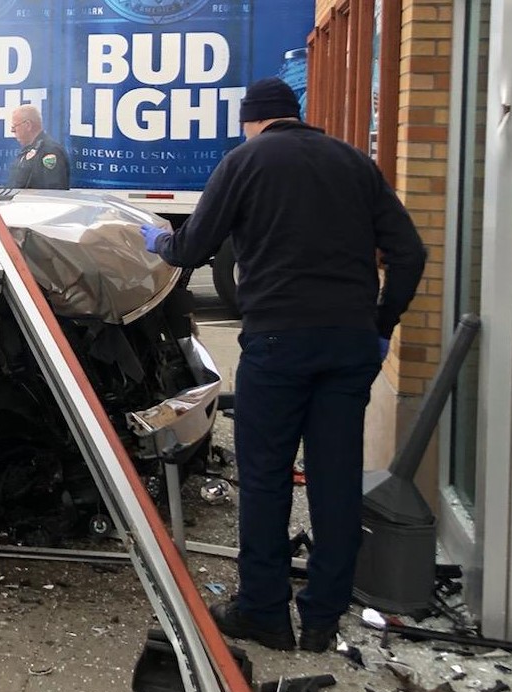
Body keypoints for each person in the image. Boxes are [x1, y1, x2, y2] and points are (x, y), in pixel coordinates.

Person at [140, 77, 426, 652]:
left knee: (267, 478)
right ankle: (322, 619)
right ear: (294, 115)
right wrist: (381, 324)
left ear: (253, 120)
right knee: (336, 480)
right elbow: (411, 252)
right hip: (348, 346)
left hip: (279, 344)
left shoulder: (244, 162)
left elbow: (192, 248)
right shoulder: (353, 162)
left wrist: (156, 240)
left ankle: (265, 612)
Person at [8, 105, 69, 190]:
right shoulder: (28, 151)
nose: (12, 131)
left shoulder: (50, 151)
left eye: (14, 127)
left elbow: (52, 194)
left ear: (28, 125)